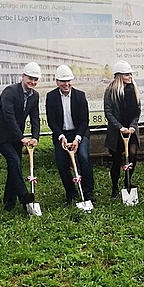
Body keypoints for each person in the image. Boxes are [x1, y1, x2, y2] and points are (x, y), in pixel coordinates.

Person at [46, 65, 94, 205]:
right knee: (62, 163)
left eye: (68, 81)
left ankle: (88, 192)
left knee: (84, 158)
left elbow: (84, 120)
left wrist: (77, 139)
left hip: (79, 133)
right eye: (62, 81)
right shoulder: (51, 97)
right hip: (61, 134)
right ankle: (71, 194)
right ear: (57, 82)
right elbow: (52, 121)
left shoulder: (80, 96)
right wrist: (61, 136)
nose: (66, 84)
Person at [0, 62, 41, 211]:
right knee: (14, 161)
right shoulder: (9, 92)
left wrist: (35, 136)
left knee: (14, 167)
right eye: (30, 78)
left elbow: (35, 117)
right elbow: (8, 117)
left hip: (17, 136)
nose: (33, 82)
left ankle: (9, 203)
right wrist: (21, 137)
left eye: (35, 79)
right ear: (23, 76)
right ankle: (23, 196)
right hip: (1, 135)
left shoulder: (34, 95)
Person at [103, 60, 141, 198]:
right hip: (116, 132)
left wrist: (132, 126)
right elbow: (108, 112)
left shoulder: (134, 90)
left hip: (131, 131)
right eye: (127, 74)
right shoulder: (110, 91)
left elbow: (137, 111)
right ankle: (114, 186)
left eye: (130, 74)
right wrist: (120, 128)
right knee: (117, 160)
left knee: (132, 156)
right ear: (119, 76)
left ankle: (128, 181)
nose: (130, 77)